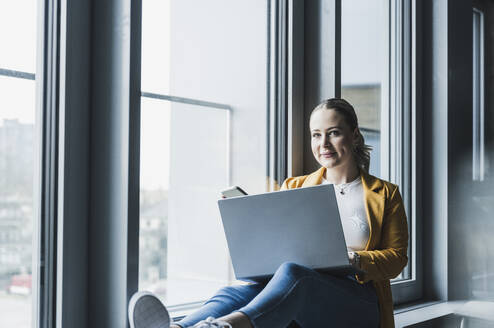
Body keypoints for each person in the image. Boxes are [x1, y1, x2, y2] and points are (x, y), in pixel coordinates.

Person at [129, 98, 409, 328]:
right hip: (300, 288)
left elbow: (397, 260)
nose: (323, 144)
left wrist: (353, 258)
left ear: (354, 135)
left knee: (295, 275)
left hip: (358, 304)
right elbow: (282, 242)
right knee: (242, 289)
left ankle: (228, 326)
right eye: (316, 135)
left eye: (333, 133)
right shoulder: (296, 186)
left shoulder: (385, 194)